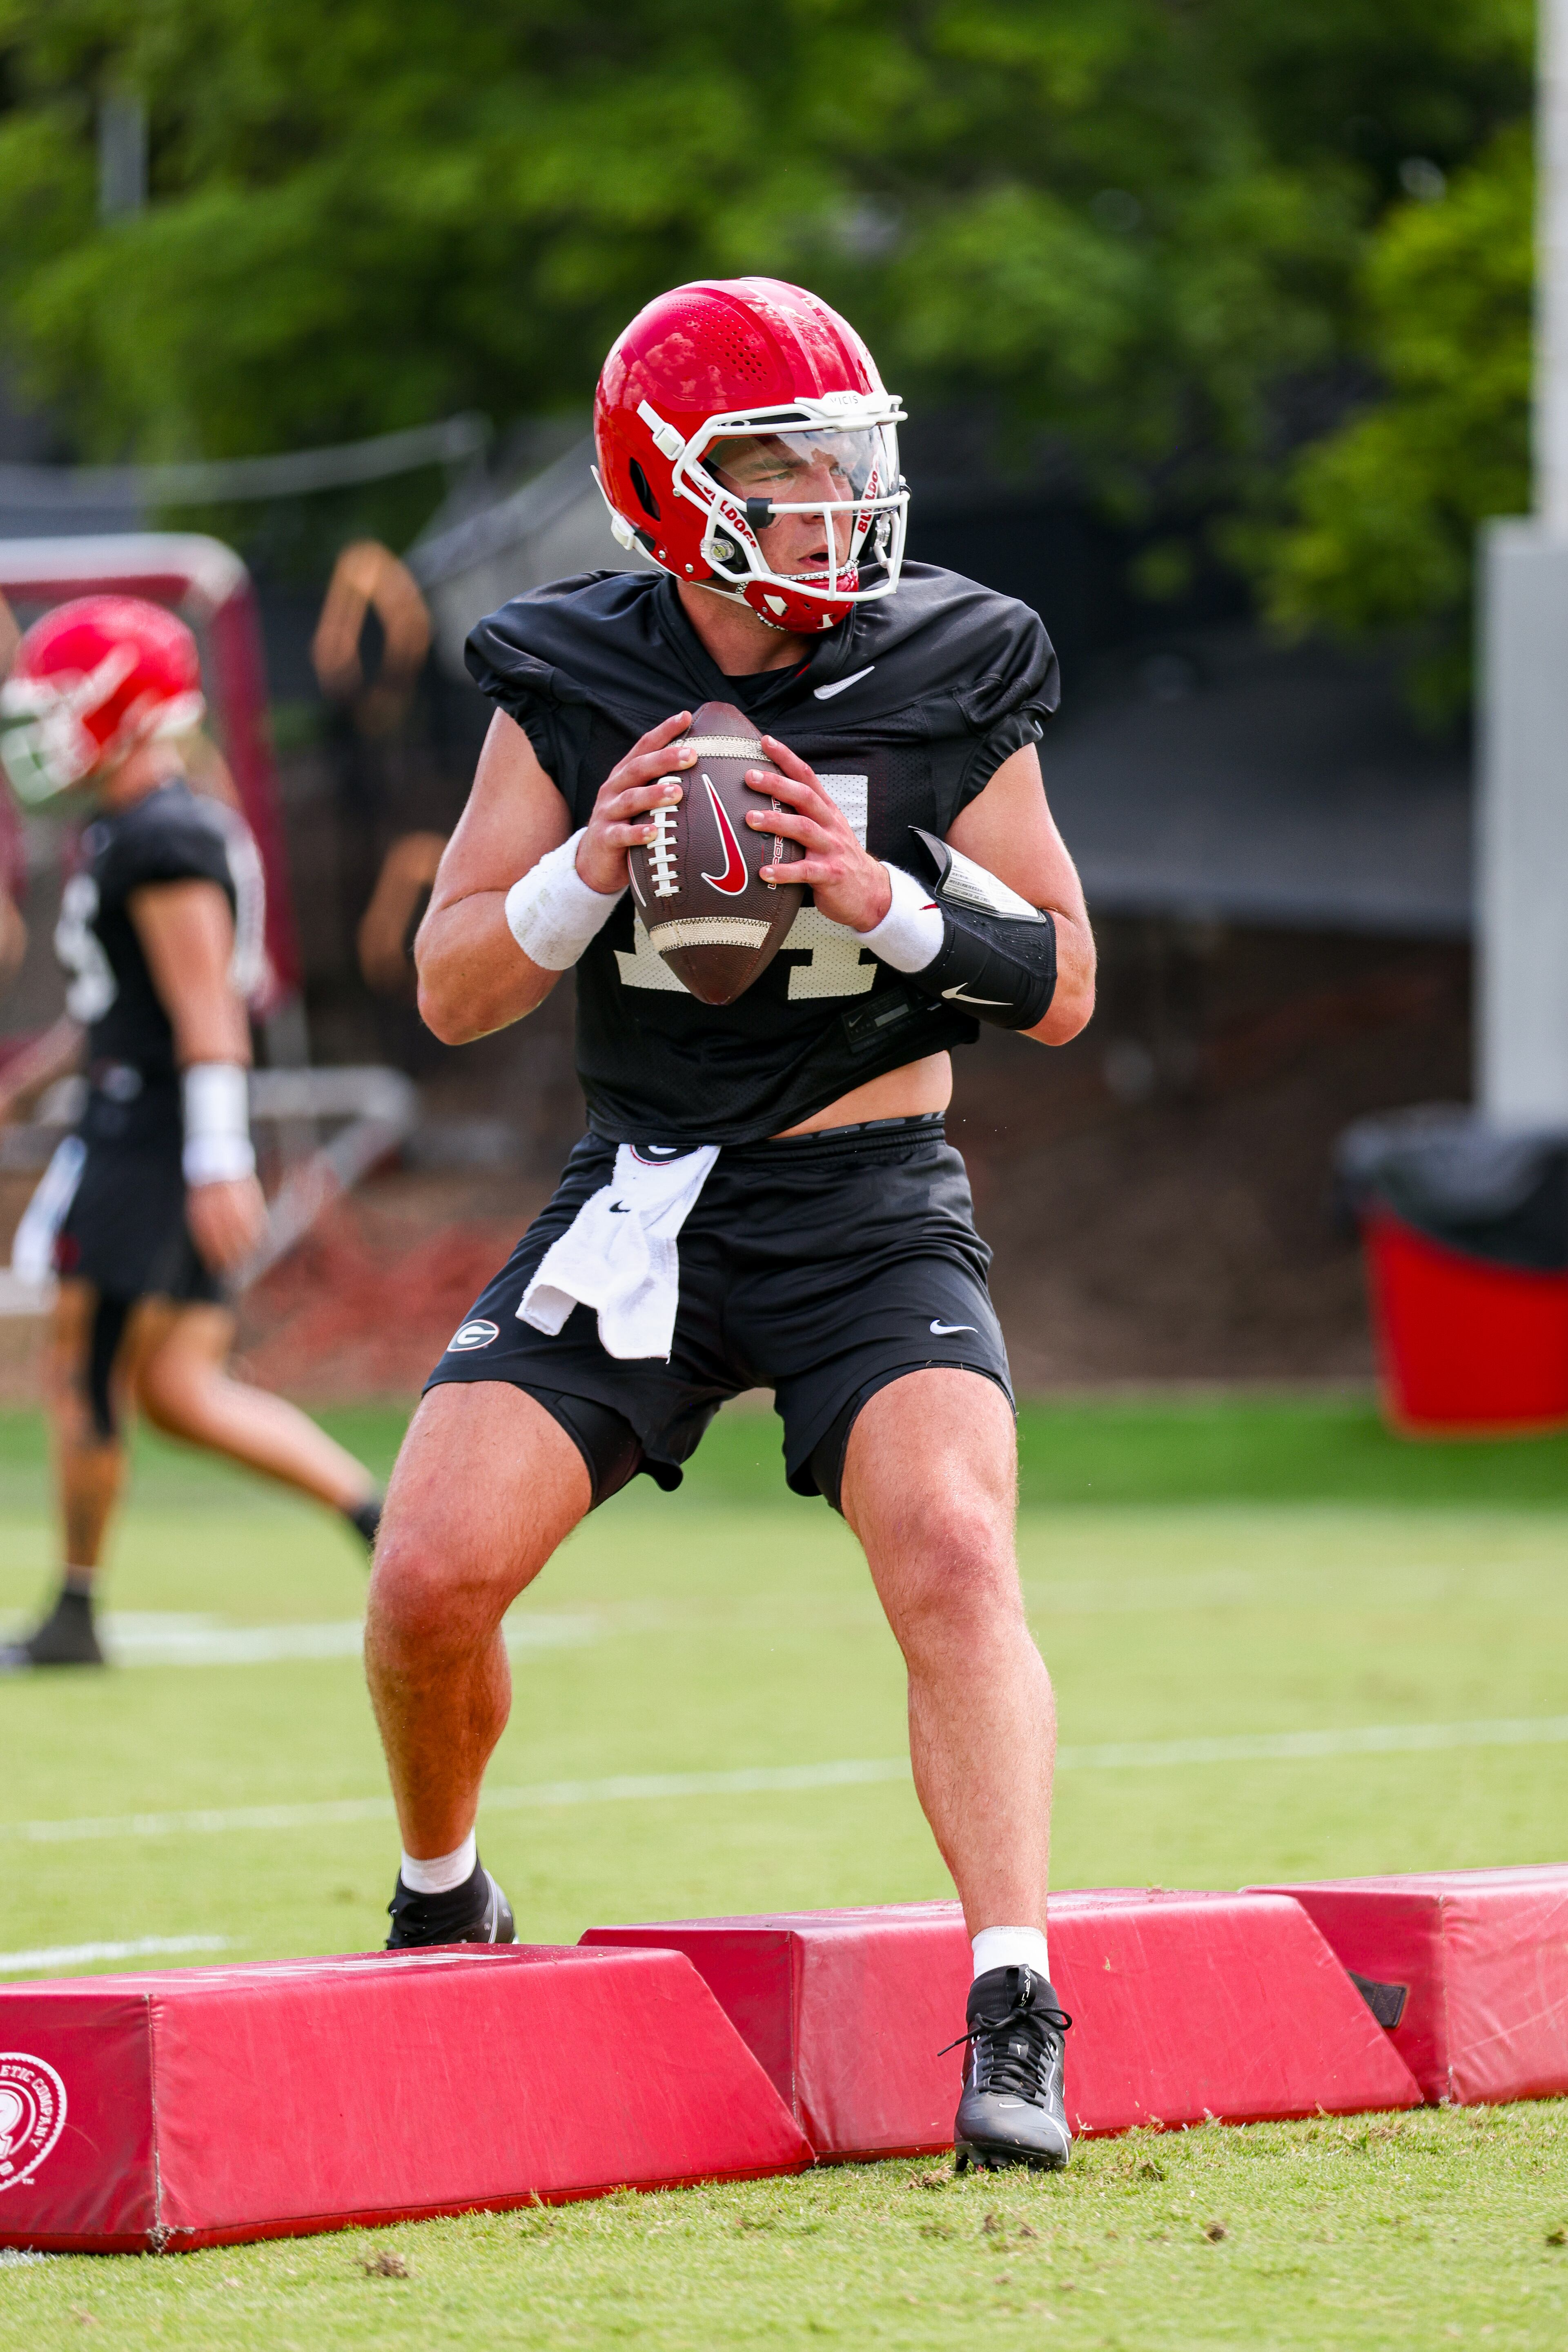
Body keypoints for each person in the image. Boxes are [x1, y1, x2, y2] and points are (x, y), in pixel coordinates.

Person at [366, 278, 1096, 2174]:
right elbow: (449, 988)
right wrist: (583, 872)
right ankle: (446, 1894)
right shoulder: (573, 669)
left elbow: (1067, 978)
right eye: (785, 474)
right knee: (428, 1578)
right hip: (650, 1199)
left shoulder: (955, 659)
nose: (838, 513)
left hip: (868, 1201)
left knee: (950, 1538)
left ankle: (1015, 2002)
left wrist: (890, 898)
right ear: (667, 494)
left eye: (849, 468)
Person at [0, 595, 383, 1673]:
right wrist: (28, 1089)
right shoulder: (142, 825)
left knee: (84, 1365)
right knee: (177, 1390)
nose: (42, 731)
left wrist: (216, 1161)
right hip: (148, 1119)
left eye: (61, 704)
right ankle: (381, 1520)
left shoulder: (161, 834)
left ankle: (74, 1610)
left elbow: (207, 1007)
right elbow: (132, 999)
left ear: (123, 705)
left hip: (153, 1137)